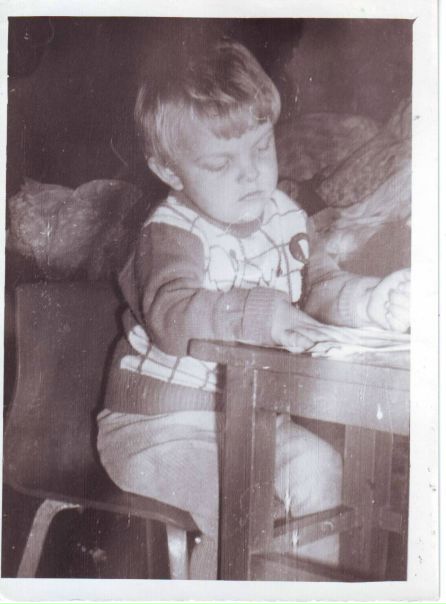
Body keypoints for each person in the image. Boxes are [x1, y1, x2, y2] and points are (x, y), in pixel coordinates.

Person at [96, 39, 410, 579]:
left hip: (252, 423)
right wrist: (262, 315)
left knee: (326, 476)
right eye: (221, 162)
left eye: (261, 148)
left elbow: (320, 286)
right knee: (249, 507)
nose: (250, 174)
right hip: (156, 429)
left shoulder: (286, 217)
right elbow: (172, 314)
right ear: (170, 171)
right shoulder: (170, 232)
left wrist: (369, 302)